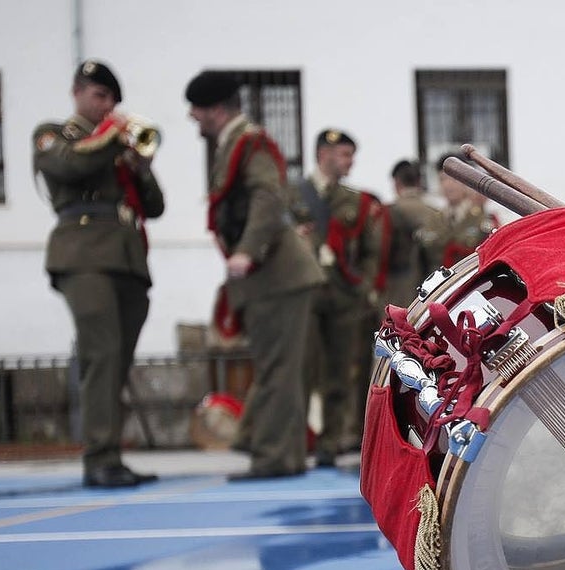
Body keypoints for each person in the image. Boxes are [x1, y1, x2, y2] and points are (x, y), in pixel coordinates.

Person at [185, 70, 324, 481]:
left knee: (277, 368)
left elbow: (267, 196)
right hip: (271, 277)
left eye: (197, 109)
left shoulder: (250, 143)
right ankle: (283, 453)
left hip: (277, 273)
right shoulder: (230, 144)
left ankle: (274, 457)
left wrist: (246, 250)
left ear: (215, 108)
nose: (193, 118)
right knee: (277, 367)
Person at [34, 60, 165, 488]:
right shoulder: (55, 134)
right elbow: (67, 167)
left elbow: (156, 206)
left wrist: (139, 166)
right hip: (84, 255)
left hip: (127, 260)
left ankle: (111, 455)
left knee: (117, 361)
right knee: (101, 356)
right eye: (99, 96)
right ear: (78, 92)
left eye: (111, 100)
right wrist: (112, 135)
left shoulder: (115, 149)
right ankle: (99, 458)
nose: (106, 105)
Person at [288, 129, 387, 467]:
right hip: (304, 293)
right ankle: (296, 442)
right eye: (344, 155)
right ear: (324, 155)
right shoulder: (293, 196)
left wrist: (364, 287)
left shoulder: (355, 201)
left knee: (339, 370)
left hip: (344, 296)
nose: (350, 162)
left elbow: (371, 252)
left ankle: (329, 443)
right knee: (301, 368)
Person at [419, 152, 498, 269]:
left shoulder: (483, 219)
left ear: (466, 181)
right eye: (442, 179)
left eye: (453, 179)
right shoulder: (433, 219)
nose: (448, 185)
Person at [386, 158, 438, 304]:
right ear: (418, 182)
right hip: (433, 287)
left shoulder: (390, 212)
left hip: (397, 287)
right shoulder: (435, 213)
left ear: (396, 183)